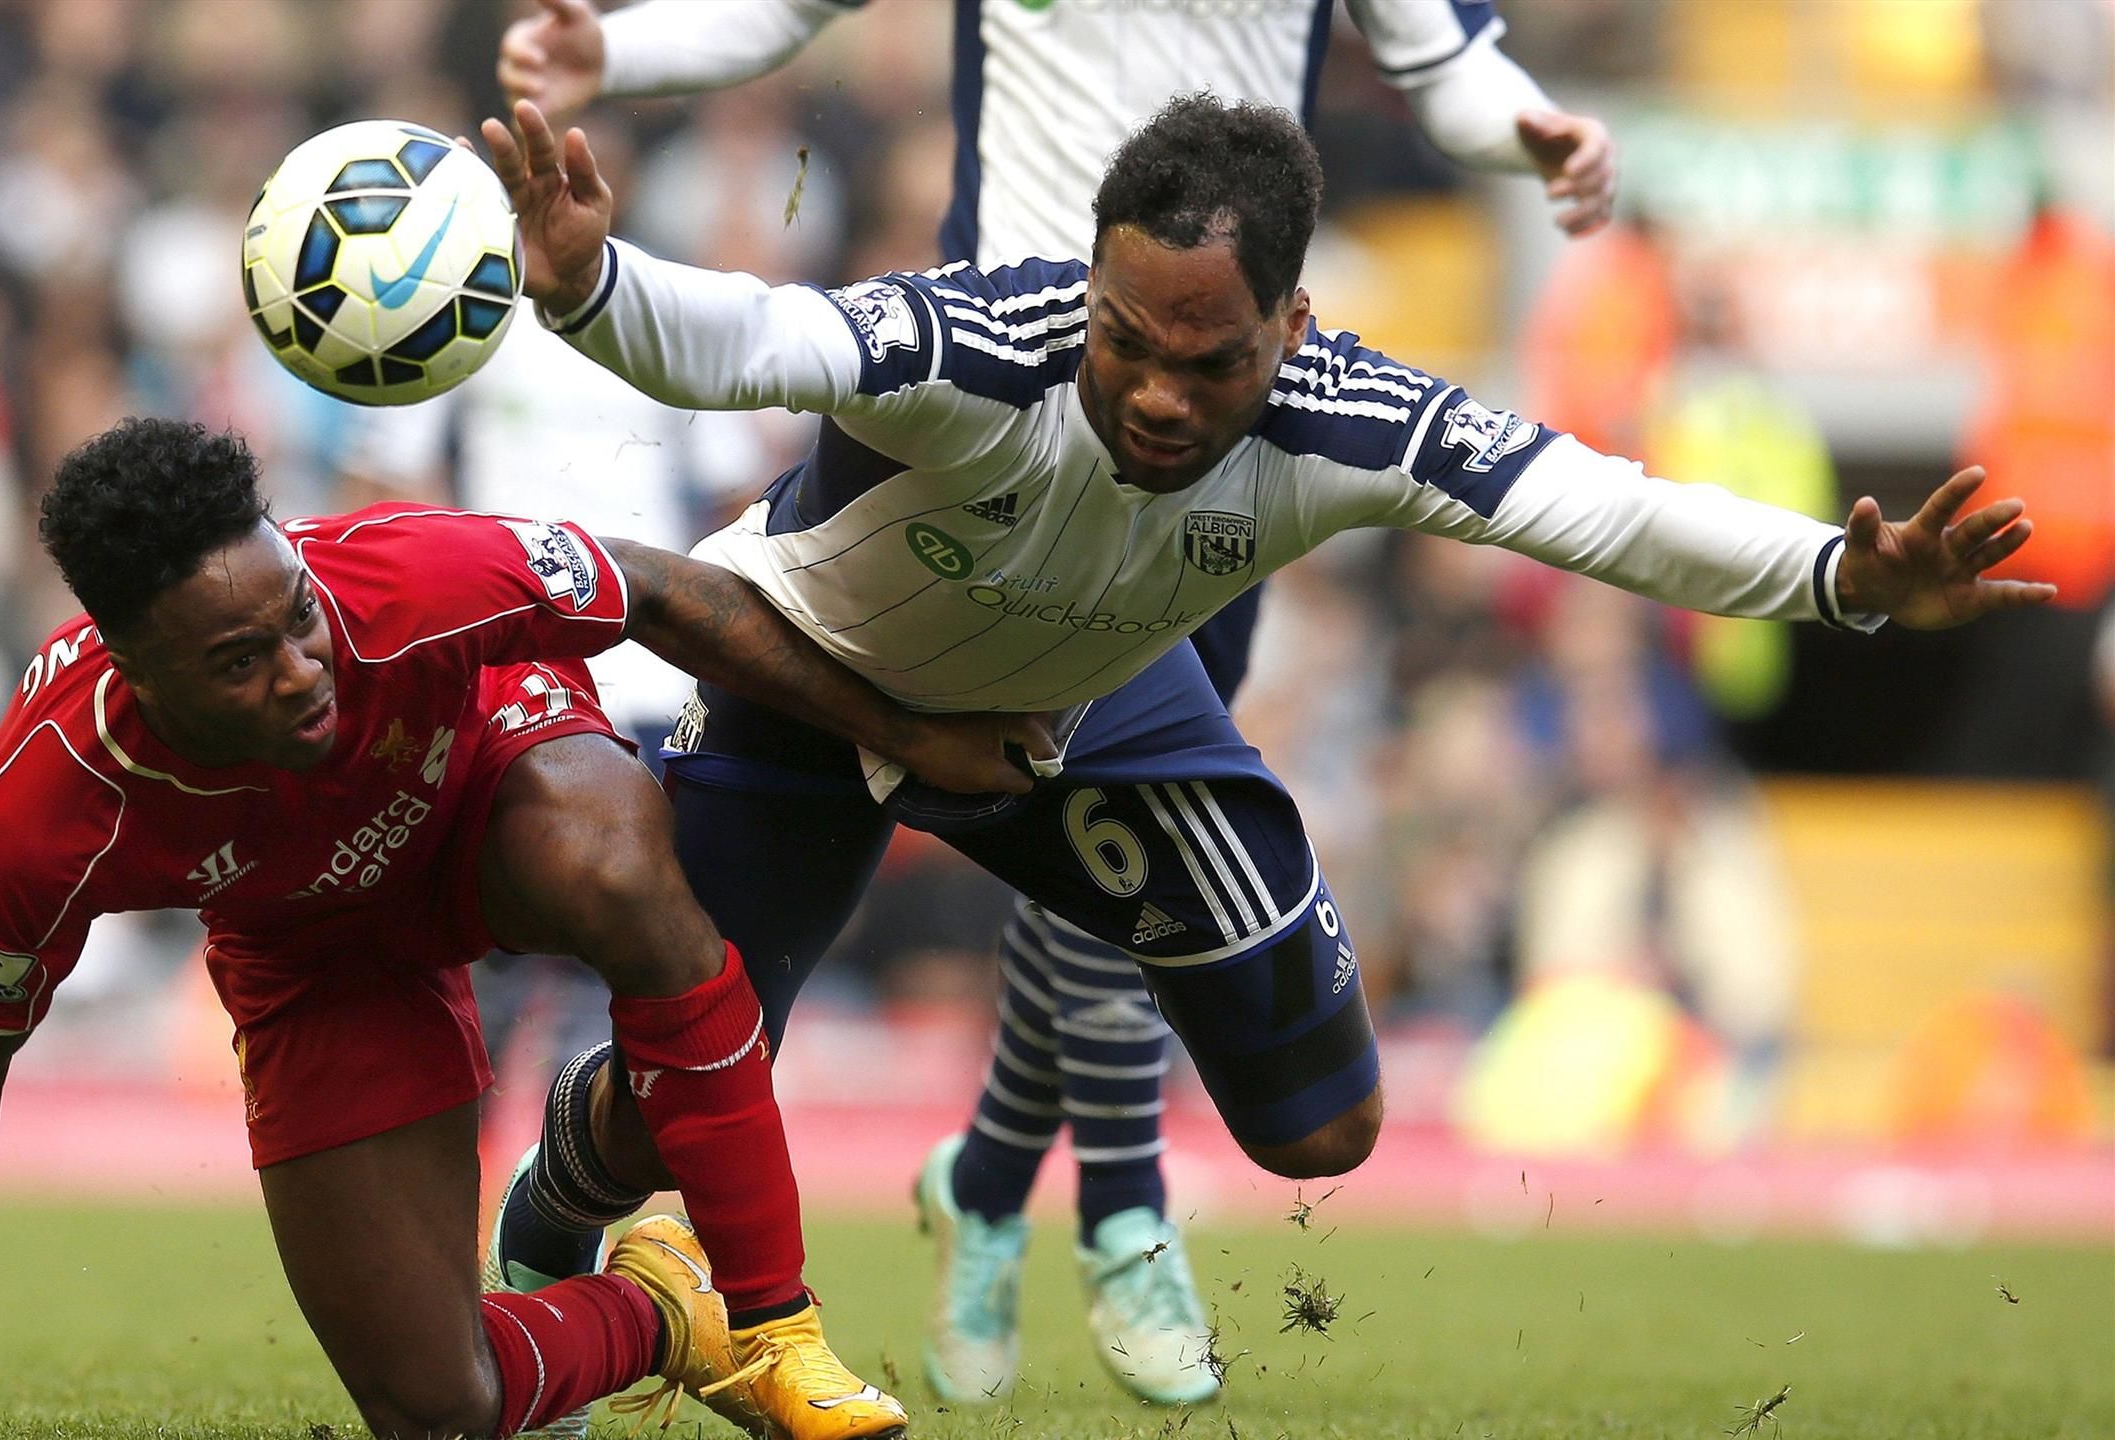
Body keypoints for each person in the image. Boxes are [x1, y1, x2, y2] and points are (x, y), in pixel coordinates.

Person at [475, 89, 2054, 1413]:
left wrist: (1846, 580)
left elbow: (1609, 511)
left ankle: (1105, 1110)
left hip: (1084, 709)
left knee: (1325, 1127)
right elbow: (753, 339)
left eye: (1210, 359)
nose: (1157, 394)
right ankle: (564, 1191)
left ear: (1292, 326)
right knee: (668, 1103)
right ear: (1087, 280)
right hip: (804, 684)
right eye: (1126, 339)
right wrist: (588, 287)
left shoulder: (1351, 418)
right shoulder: (979, 342)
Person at [500, 0, 1619, 1403]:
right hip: (1005, 400)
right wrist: (625, 54)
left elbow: (1447, 66)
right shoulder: (1000, 336)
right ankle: (1100, 1204)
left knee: (1117, 878)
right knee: (713, 1056)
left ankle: (1040, 1189)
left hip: (1209, 435)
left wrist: (1527, 126)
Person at [0, 417, 1052, 1439]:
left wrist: (908, 737)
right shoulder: (48, 809)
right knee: (438, 1409)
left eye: (298, 618)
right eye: (240, 661)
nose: (304, 670)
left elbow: (673, 594)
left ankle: (778, 1323)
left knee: (613, 870)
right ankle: (671, 1307)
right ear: (138, 673)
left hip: (488, 781)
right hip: (312, 949)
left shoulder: (401, 573)